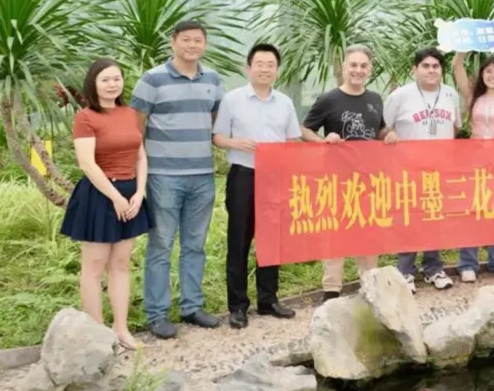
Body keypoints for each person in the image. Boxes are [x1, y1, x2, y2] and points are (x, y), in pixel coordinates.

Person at [130, 20, 224, 339]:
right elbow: (136, 126)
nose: (192, 45)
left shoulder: (213, 79)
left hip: (202, 175)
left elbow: (213, 121)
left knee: (195, 245)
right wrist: (138, 172)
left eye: (198, 40)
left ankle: (192, 307)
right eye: (186, 40)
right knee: (161, 244)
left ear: (205, 44)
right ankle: (157, 314)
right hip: (163, 176)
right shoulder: (152, 79)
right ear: (173, 42)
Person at [63, 58, 151, 351]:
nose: (112, 84)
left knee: (122, 264)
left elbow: (140, 156)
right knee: (94, 265)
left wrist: (139, 192)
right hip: (100, 195)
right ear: (94, 84)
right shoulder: (86, 117)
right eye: (105, 80)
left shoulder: (130, 114)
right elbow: (86, 163)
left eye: (116, 78)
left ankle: (121, 329)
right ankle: (97, 334)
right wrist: (115, 196)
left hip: (130, 192)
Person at [212, 44, 299, 329]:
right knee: (239, 240)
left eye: (270, 64)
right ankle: (237, 306)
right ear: (248, 68)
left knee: (271, 240)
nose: (265, 69)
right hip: (243, 175)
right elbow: (218, 137)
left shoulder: (285, 102)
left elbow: (292, 141)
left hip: (275, 177)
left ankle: (268, 299)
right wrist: (236, 143)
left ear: (277, 69)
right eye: (259, 63)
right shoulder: (233, 99)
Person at [302, 45, 386, 300]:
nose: (358, 70)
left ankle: (370, 285)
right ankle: (331, 290)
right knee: (335, 233)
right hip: (336, 178)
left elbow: (378, 130)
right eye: (353, 65)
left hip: (369, 178)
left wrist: (388, 134)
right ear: (344, 68)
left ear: (369, 69)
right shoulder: (329, 99)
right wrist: (324, 141)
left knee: (369, 232)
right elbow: (305, 130)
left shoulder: (375, 99)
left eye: (363, 66)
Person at [386, 47, 460, 291]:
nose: (431, 70)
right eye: (425, 66)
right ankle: (404, 271)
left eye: (436, 66)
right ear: (414, 69)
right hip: (408, 170)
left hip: (440, 170)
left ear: (442, 70)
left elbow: (455, 128)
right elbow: (384, 129)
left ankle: (433, 269)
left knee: (434, 218)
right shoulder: (400, 96)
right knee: (409, 218)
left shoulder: (450, 95)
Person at [452, 51, 494, 280]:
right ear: (482, 74)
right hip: (474, 160)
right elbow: (457, 67)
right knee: (471, 209)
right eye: (488, 71)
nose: (492, 75)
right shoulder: (472, 95)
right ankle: (467, 264)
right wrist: (462, 48)